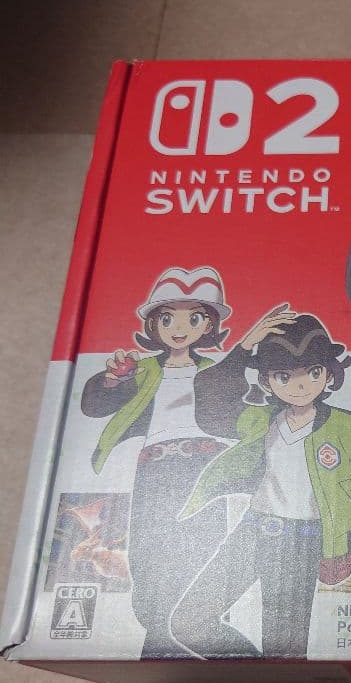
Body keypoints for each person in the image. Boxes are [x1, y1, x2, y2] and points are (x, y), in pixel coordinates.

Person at [170, 309, 351, 659]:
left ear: (328, 373)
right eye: (284, 376)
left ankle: (273, 681)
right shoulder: (259, 420)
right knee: (190, 622)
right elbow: (212, 406)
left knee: (283, 651)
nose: (300, 386)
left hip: (304, 542)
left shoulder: (345, 427)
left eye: (313, 372)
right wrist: (244, 347)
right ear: (267, 381)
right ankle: (255, 676)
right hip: (252, 531)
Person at [81, 266, 241, 656]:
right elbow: (94, 406)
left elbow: (239, 412)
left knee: (204, 549)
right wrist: (113, 380)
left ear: (209, 325)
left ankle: (196, 630)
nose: (179, 328)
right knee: (149, 554)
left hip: (204, 467)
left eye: (194, 319)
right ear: (154, 325)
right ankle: (158, 634)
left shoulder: (215, 371)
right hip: (154, 468)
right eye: (168, 318)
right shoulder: (143, 369)